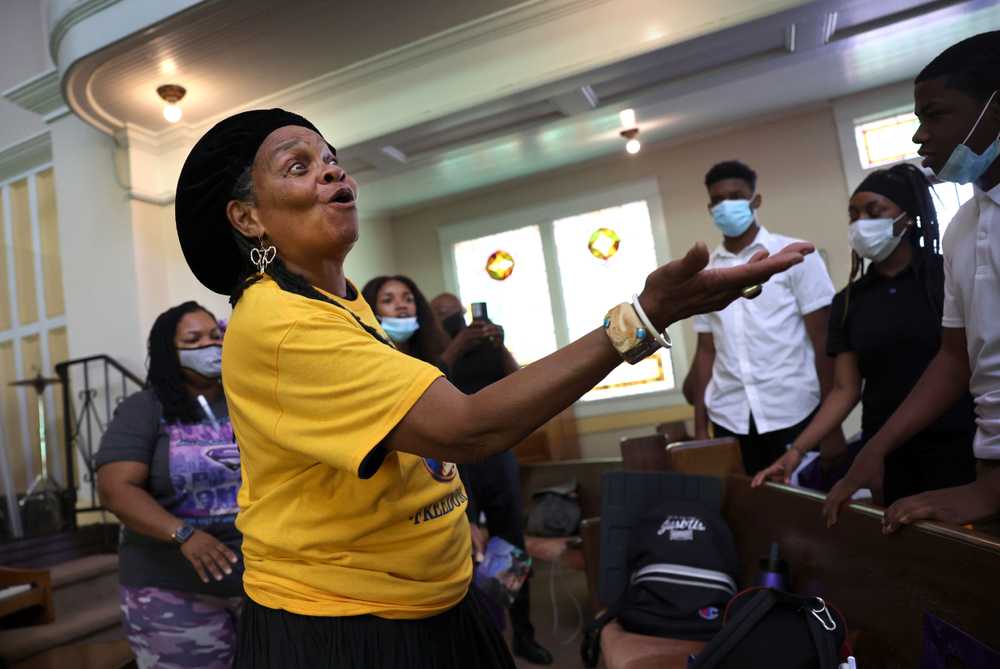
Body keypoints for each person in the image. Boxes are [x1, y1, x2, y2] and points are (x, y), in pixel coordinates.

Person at [172, 108, 811, 668]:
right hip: (346, 624)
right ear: (248, 217)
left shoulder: (341, 301)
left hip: (431, 598)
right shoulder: (280, 322)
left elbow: (412, 450)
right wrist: (641, 319)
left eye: (333, 160)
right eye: (299, 165)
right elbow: (468, 426)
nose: (335, 173)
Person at [824, 31, 1000, 529]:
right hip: (985, 460)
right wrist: (873, 449)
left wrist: (992, 491)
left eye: (936, 115)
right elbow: (953, 357)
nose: (920, 137)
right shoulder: (964, 227)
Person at [752, 163, 976, 503]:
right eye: (853, 215)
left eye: (874, 212)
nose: (861, 224)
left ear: (908, 216)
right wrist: (796, 451)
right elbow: (844, 389)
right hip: (883, 452)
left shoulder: (945, 277)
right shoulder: (849, 302)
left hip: (957, 441)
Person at [95, 302, 242, 669]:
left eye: (215, 336)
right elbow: (117, 488)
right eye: (193, 340)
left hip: (261, 584)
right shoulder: (143, 408)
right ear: (168, 351)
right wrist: (184, 534)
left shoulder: (246, 399)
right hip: (172, 588)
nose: (209, 345)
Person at [690, 161, 842, 475]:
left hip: (795, 410)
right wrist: (700, 428)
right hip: (728, 417)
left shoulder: (792, 255)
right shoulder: (706, 274)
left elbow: (823, 340)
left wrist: (831, 426)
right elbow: (706, 350)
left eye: (735, 196)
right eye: (718, 200)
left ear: (755, 200)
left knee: (802, 511)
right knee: (747, 513)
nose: (725, 206)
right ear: (710, 208)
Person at [430, 292, 552, 665]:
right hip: (454, 461)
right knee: (465, 546)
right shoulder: (434, 349)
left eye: (457, 311)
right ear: (433, 319)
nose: (454, 318)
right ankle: (480, 637)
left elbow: (519, 383)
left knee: (511, 544)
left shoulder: (486, 346)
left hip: (497, 457)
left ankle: (524, 634)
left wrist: (499, 346)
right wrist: (455, 345)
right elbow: (429, 387)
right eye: (444, 313)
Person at [362, 275, 450, 364]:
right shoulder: (367, 360)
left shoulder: (433, 354)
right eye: (388, 300)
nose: (402, 305)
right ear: (371, 309)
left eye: (408, 299)